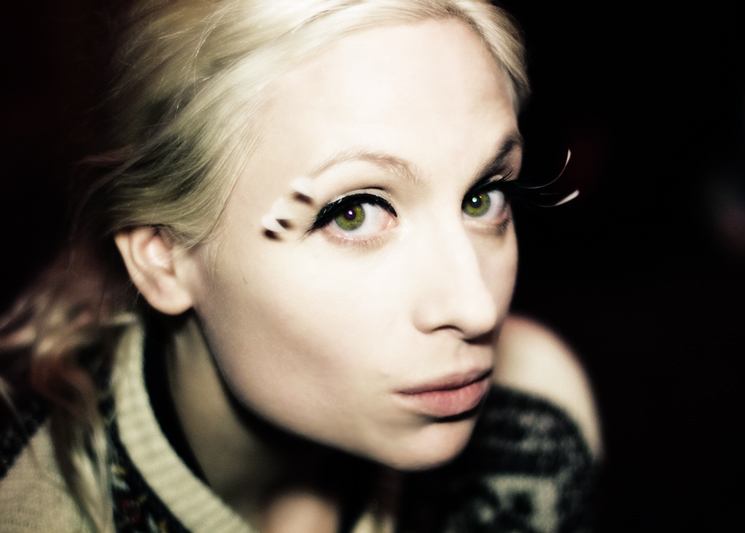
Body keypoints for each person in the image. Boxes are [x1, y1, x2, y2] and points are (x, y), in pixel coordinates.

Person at [0, 0, 600, 531]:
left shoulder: (534, 421)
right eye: (353, 213)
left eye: (483, 197)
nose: (476, 308)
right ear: (163, 256)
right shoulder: (26, 506)